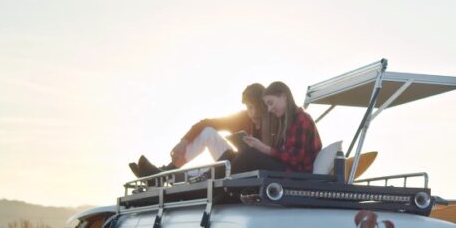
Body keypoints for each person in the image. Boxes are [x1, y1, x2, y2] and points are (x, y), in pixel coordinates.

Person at [130, 83, 276, 177]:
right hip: (236, 162)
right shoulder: (243, 118)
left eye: (257, 106)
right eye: (249, 107)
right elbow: (206, 123)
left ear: (265, 105)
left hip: (255, 168)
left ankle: (164, 176)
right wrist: (184, 141)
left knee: (219, 167)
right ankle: (167, 171)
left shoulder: (276, 121)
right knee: (208, 132)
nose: (254, 112)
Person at [231, 81, 322, 174]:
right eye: (267, 106)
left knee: (248, 155)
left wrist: (263, 148)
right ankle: (222, 186)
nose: (269, 109)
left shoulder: (302, 119)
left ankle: (228, 187)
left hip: (297, 174)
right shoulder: (285, 121)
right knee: (230, 155)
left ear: (284, 97)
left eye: (271, 103)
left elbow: (295, 159)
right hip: (285, 169)